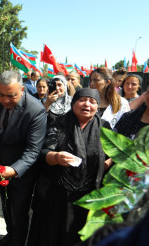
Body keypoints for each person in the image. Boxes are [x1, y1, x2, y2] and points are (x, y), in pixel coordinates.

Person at [28, 89, 109, 246]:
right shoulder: (60, 123)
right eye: (82, 100)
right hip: (59, 193)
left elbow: (113, 153)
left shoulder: (105, 128)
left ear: (97, 107)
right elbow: (44, 152)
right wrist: (56, 157)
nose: (87, 104)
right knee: (54, 234)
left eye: (92, 101)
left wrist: (108, 162)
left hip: (89, 194)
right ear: (73, 103)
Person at [0, 71, 47, 245]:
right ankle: (9, 235)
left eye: (11, 96)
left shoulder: (36, 110)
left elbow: (33, 150)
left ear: (23, 89)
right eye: (1, 94)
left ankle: (18, 241)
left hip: (22, 169)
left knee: (19, 210)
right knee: (4, 204)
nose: (4, 100)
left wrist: (15, 170)